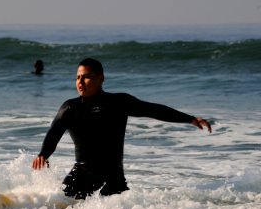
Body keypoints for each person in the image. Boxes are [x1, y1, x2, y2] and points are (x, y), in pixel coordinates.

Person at [32, 58, 212, 199]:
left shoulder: (118, 103)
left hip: (113, 179)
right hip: (80, 177)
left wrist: (189, 119)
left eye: (86, 77)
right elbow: (54, 132)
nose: (81, 82)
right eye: (78, 77)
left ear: (101, 78)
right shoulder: (69, 108)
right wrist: (43, 154)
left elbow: (153, 110)